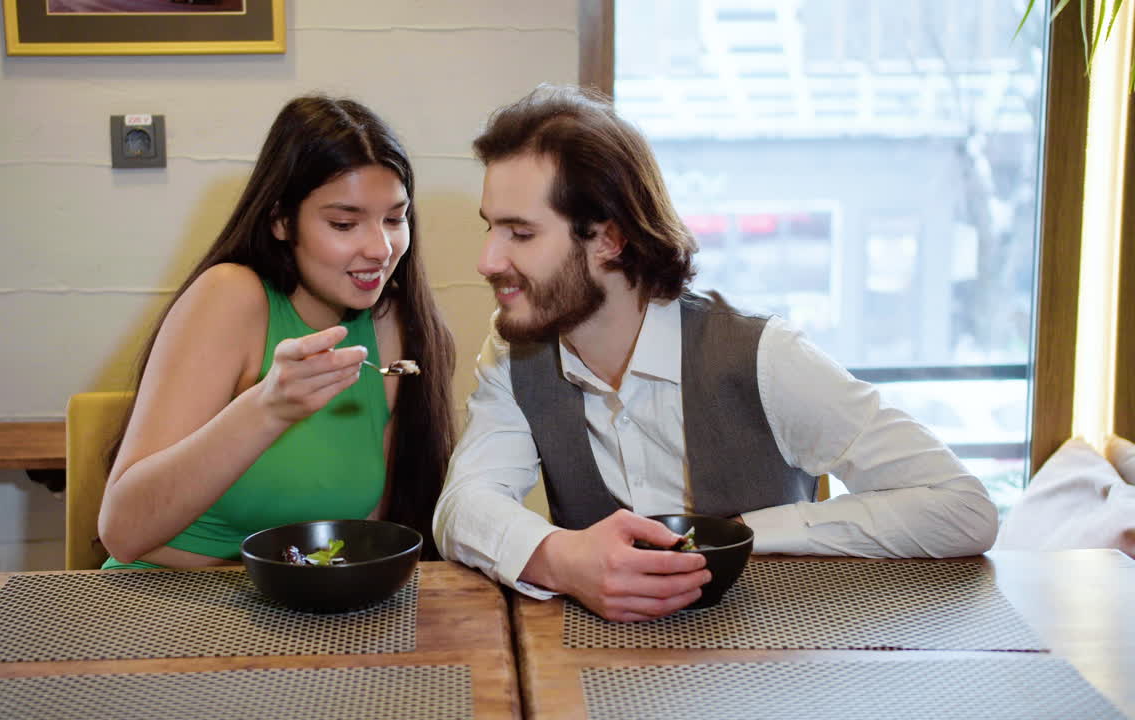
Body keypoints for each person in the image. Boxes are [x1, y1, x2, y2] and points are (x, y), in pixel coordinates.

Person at [432, 84, 999, 622]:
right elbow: (463, 506)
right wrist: (565, 561)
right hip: (595, 672)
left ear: (609, 239)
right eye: (491, 229)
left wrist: (754, 531)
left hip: (770, 668)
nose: (487, 260)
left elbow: (963, 509)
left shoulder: (763, 356)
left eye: (520, 234)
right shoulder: (514, 354)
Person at [98, 94, 456, 569]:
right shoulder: (231, 296)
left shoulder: (394, 326)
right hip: (166, 605)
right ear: (281, 221)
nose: (381, 248)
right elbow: (122, 532)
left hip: (296, 613)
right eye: (344, 223)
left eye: (395, 218)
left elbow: (365, 536)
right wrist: (267, 409)